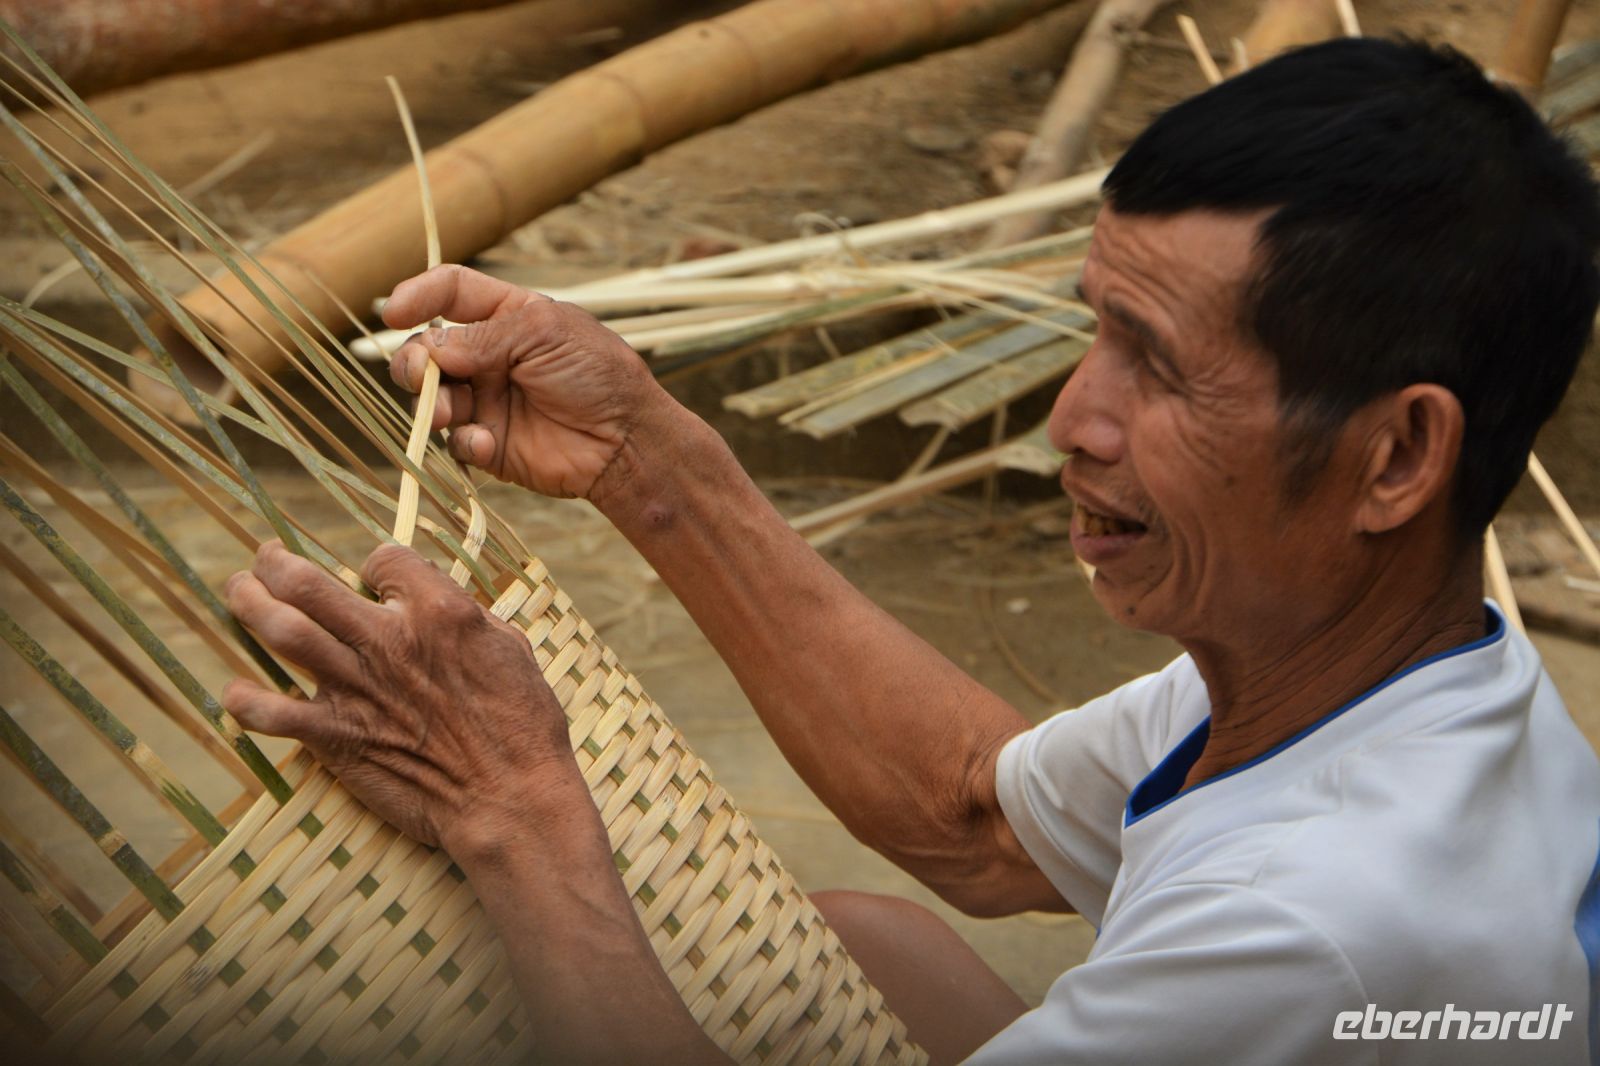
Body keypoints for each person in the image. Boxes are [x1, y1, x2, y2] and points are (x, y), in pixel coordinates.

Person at [221, 37, 1600, 1065]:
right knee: (860, 944)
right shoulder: (1349, 664)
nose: (1072, 418)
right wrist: (650, 457)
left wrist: (514, 806)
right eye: (1095, 330)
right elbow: (973, 817)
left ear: (1400, 455)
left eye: (1160, 370)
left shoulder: (1326, 926)